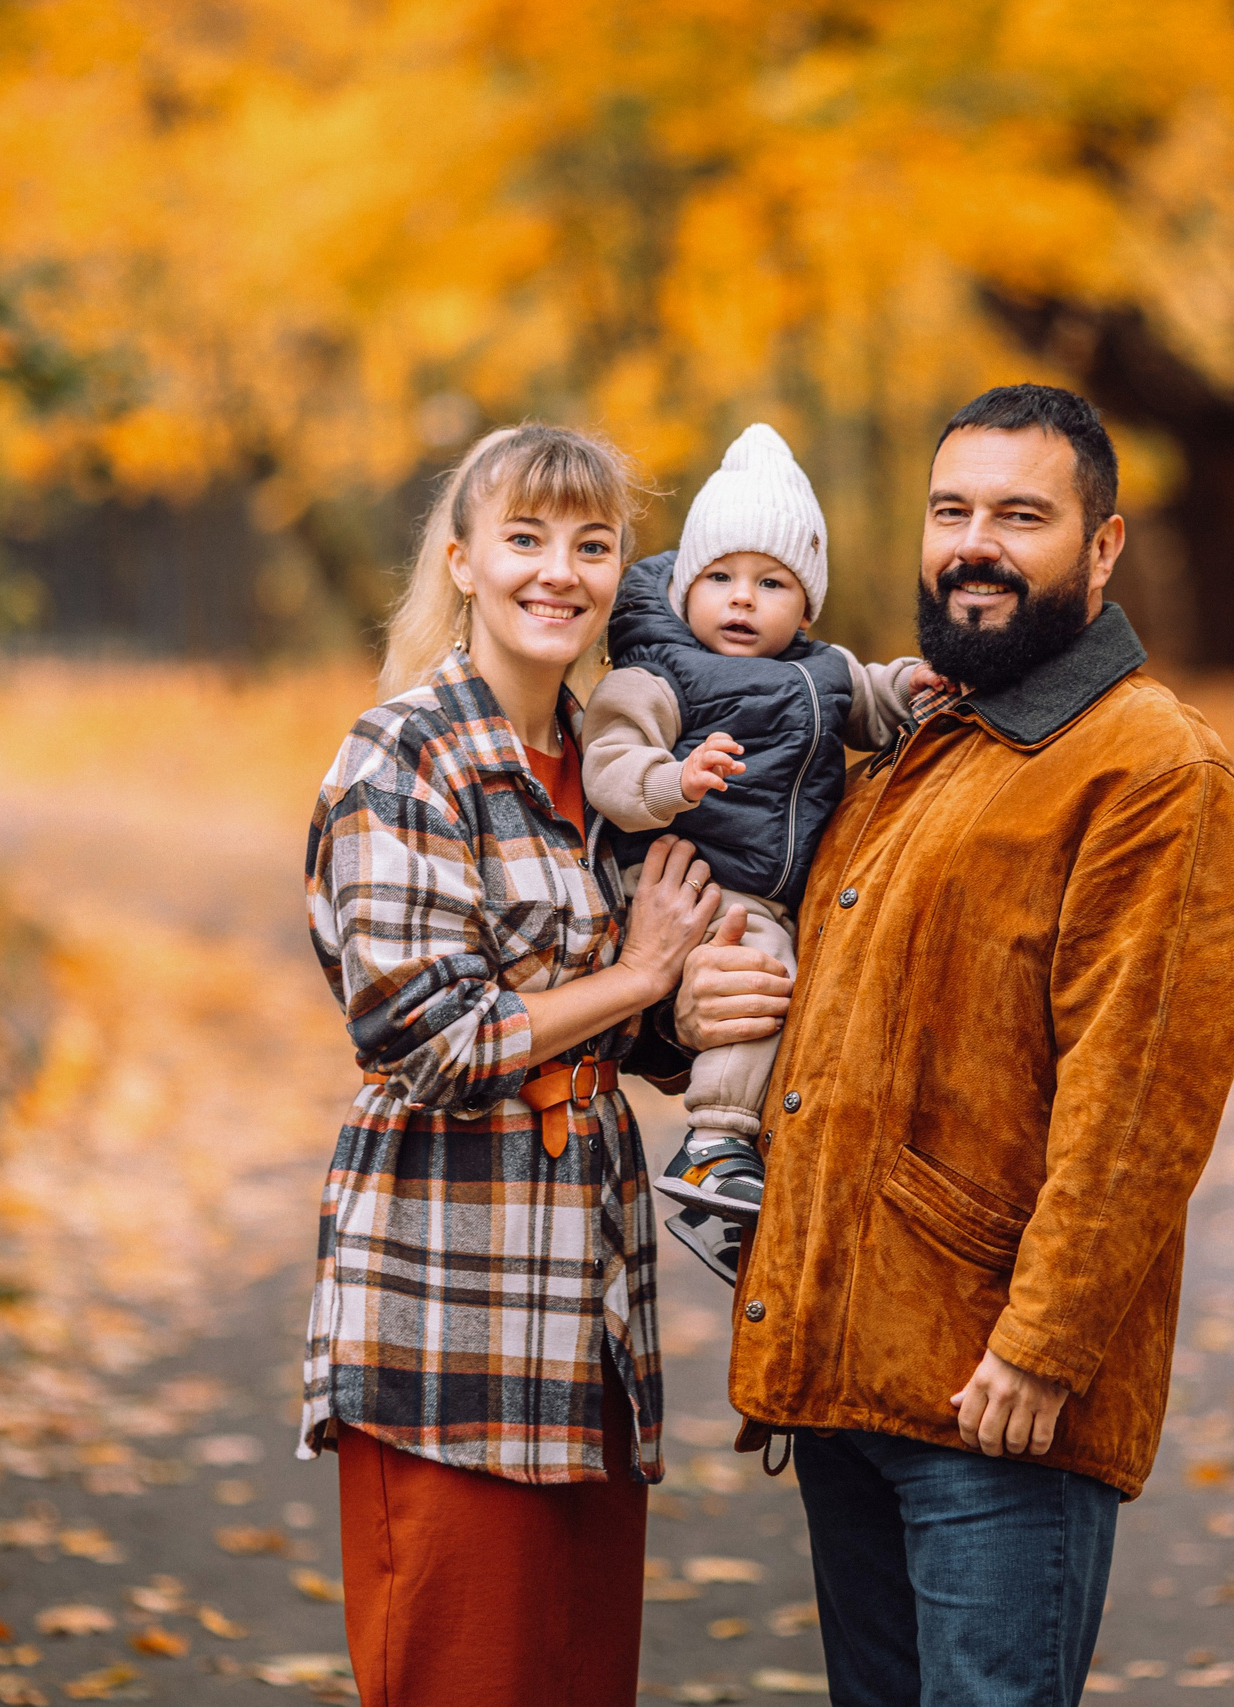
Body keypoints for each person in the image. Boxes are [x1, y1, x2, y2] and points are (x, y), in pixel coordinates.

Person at [668, 384, 1234, 1705]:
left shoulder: (1150, 768)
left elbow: (1142, 1095)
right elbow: (807, 995)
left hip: (999, 1407)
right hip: (843, 1374)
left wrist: (1046, 1345)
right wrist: (686, 1017)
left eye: (1021, 514)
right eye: (953, 510)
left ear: (1102, 546)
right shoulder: (914, 743)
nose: (975, 543)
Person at [295, 423, 722, 1707]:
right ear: (464, 559)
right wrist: (640, 977)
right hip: (449, 1306)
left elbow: (623, 1017)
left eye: (592, 546)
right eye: (526, 539)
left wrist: (695, 1001)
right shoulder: (405, 752)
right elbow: (423, 1033)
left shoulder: (607, 771)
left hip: (589, 1313)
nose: (560, 571)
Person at [580, 423, 929, 1283]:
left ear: (805, 608)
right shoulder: (661, 672)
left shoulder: (819, 671)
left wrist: (912, 689)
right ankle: (713, 1144)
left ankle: (755, 1173)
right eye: (721, 578)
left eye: (771, 583)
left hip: (770, 890)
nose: (742, 599)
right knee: (760, 972)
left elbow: (871, 700)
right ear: (688, 585)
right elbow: (610, 760)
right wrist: (675, 779)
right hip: (688, 882)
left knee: (803, 978)